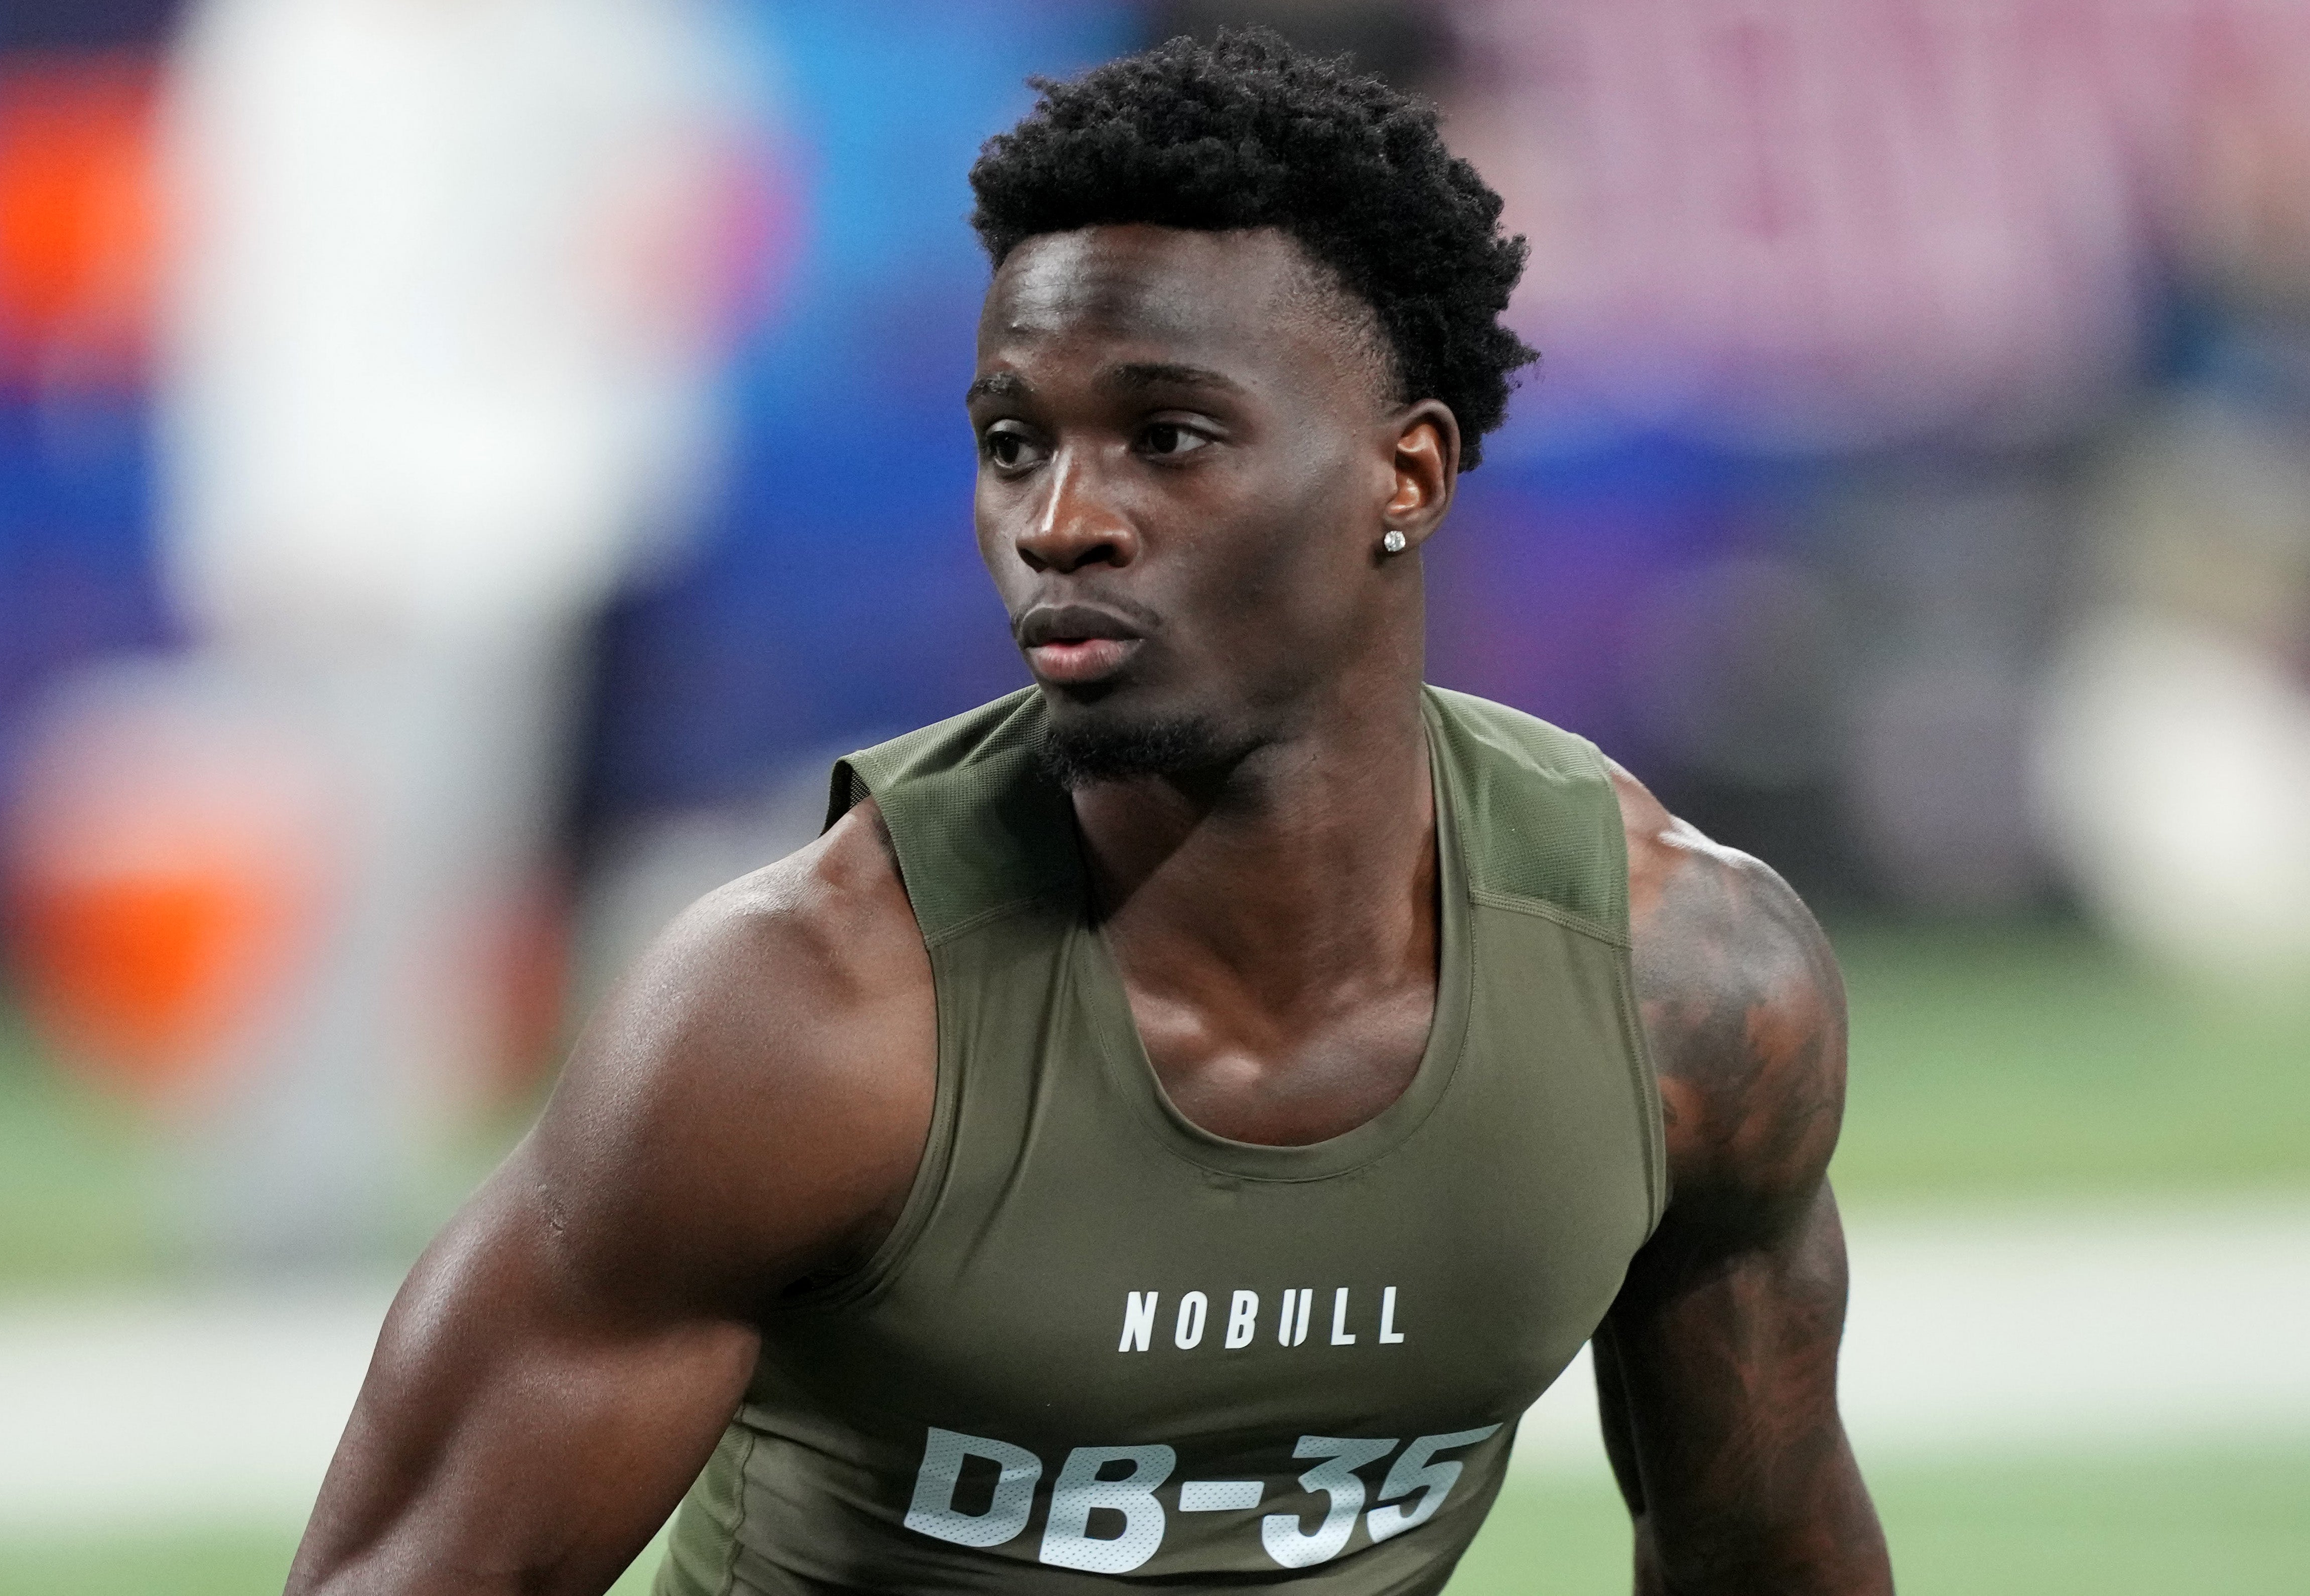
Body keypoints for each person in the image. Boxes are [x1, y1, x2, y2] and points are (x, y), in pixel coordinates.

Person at [287, 32, 1891, 1595]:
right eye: (1012, 445)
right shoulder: (797, 1021)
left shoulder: (1682, 987)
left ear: (1404, 476)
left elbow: (1764, 1555)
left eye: (1166, 439)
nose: (1060, 523)